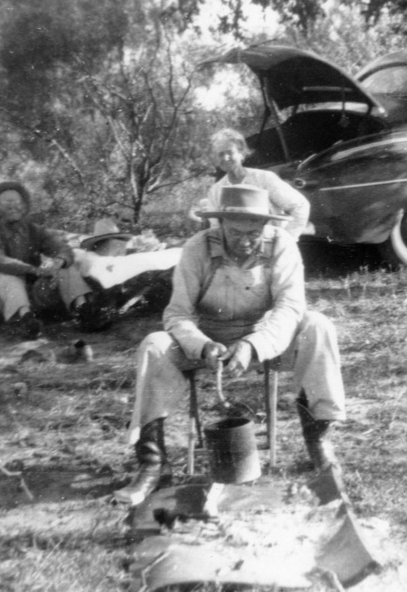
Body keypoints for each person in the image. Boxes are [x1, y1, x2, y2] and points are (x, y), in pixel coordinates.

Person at [114, 185, 346, 505]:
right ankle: (153, 464)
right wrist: (202, 345)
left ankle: (319, 442)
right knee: (154, 345)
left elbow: (290, 309)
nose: (246, 241)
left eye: (254, 233)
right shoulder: (196, 249)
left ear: (266, 225)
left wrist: (253, 345)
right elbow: (177, 314)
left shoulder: (282, 246)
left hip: (265, 337)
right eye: (236, 232)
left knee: (318, 326)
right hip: (208, 337)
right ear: (220, 224)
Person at [0, 181, 93, 340]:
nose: (13, 206)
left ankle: (85, 312)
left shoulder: (35, 230)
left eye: (16, 201)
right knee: (8, 276)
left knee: (65, 267)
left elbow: (63, 249)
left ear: (24, 206)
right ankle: (25, 321)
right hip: (2, 296)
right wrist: (32, 270)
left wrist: (57, 262)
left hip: (34, 292)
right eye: (6, 202)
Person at [192, 128, 311, 239]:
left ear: (241, 153)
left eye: (230, 152)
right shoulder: (216, 191)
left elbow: (300, 206)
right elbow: (216, 228)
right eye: (221, 154)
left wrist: (287, 240)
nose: (226, 158)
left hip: (269, 247)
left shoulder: (264, 179)